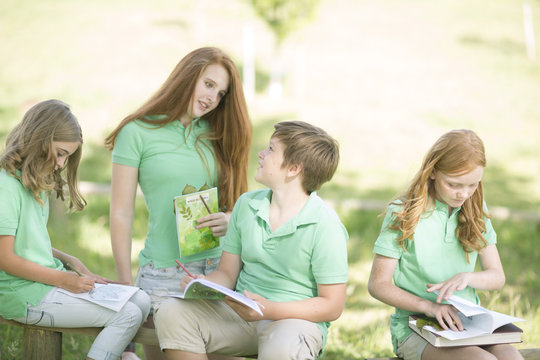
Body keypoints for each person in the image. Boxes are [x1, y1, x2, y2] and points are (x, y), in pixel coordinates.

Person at [154, 120, 349, 360]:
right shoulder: (247, 205)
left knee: (282, 348)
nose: (261, 154)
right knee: (170, 311)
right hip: (240, 316)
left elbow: (332, 305)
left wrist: (269, 309)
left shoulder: (325, 225)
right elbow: (227, 273)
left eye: (270, 149)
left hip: (294, 322)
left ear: (293, 169)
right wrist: (205, 284)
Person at [104, 46, 252, 360]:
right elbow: (120, 212)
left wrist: (230, 218)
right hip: (162, 275)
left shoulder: (220, 134)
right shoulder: (137, 132)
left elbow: (240, 204)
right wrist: (123, 281)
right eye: (208, 84)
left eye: (221, 93)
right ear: (187, 76)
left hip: (219, 272)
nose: (213, 98)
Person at [0, 99, 151, 360]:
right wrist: (64, 280)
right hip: (21, 294)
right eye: (59, 153)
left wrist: (71, 262)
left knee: (140, 300)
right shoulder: (7, 187)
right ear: (39, 138)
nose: (60, 164)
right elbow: (6, 258)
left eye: (66, 157)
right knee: (127, 314)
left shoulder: (34, 183)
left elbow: (27, 243)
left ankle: (123, 356)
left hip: (44, 283)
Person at [367, 129, 524, 360]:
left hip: (468, 324)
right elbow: (378, 284)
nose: (464, 194)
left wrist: (468, 278)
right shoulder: (403, 213)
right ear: (432, 172)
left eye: (473, 185)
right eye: (454, 184)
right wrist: (430, 307)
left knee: (512, 356)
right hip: (416, 327)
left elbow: (497, 276)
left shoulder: (476, 211)